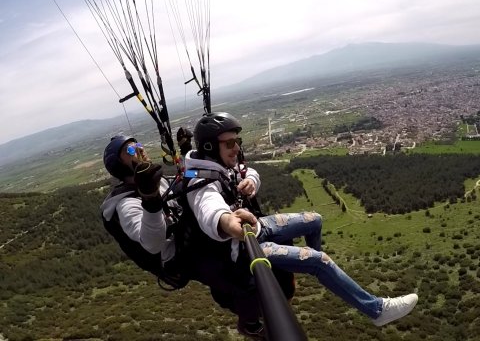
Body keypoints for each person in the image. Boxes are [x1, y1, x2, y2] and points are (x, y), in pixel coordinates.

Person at [184, 112, 419, 328]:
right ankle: (376, 310)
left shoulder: (223, 165)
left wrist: (252, 182)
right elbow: (209, 209)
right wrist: (226, 221)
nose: (236, 148)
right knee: (319, 260)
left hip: (258, 227)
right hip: (245, 248)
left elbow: (249, 171)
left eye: (238, 142)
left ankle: (319, 271)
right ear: (210, 147)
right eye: (230, 143)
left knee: (314, 220)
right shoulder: (200, 183)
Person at [100, 135, 268, 339]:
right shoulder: (126, 205)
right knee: (245, 282)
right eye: (131, 151)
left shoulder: (158, 179)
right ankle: (250, 323)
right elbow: (153, 245)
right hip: (180, 256)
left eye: (139, 145)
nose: (140, 150)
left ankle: (227, 295)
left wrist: (188, 150)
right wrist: (150, 199)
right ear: (120, 165)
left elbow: (182, 177)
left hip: (188, 235)